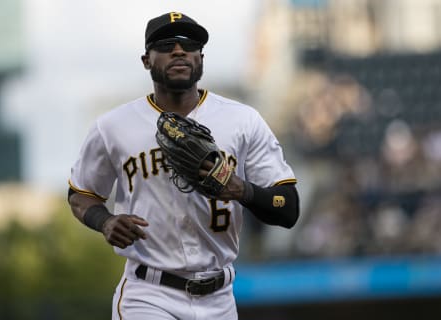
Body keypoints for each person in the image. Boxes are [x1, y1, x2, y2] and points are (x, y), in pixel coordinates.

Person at [68, 12, 300, 320]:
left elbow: (288, 209)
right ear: (146, 60)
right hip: (148, 295)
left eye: (189, 44)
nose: (179, 51)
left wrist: (242, 190)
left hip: (220, 300)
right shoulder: (112, 127)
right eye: (166, 45)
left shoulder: (242, 120)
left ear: (201, 57)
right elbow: (80, 194)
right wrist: (105, 221)